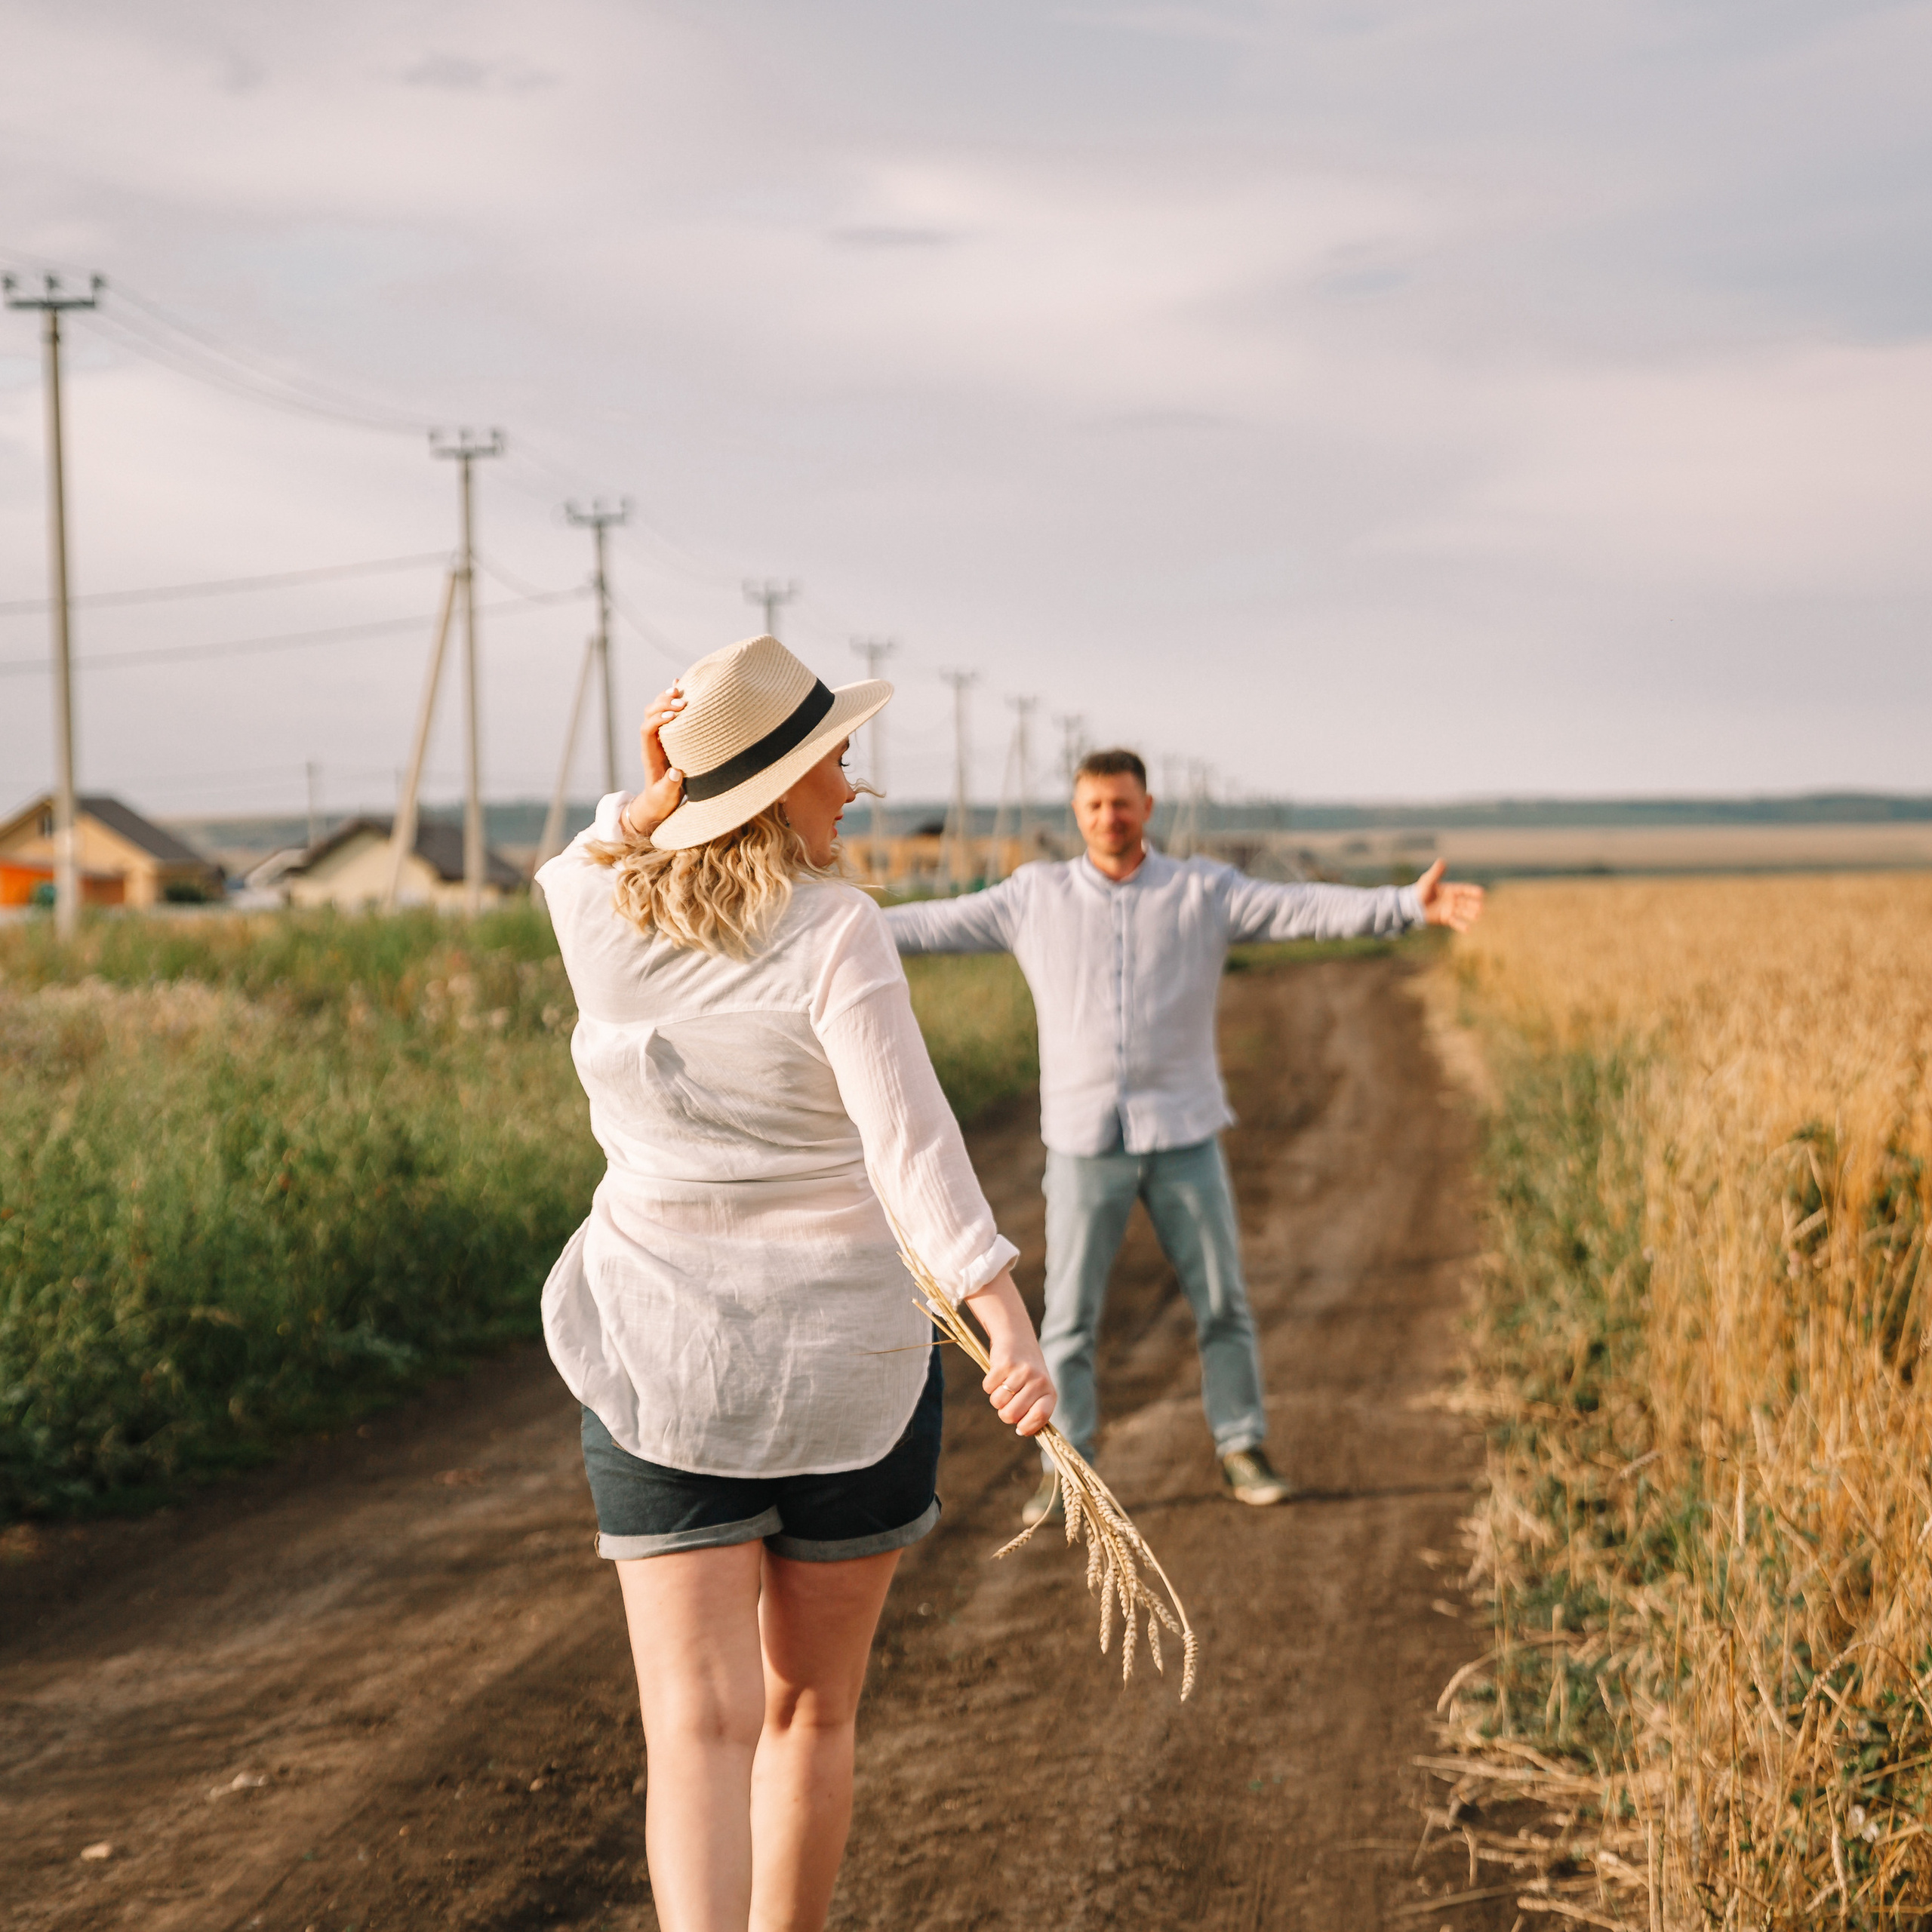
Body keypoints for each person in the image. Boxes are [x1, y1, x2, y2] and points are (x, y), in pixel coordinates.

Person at [536, 634, 1055, 1932]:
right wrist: (1004, 1322)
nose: (850, 784)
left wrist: (646, 800)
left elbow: (574, 865)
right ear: (777, 787)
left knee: (695, 1728)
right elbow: (912, 1149)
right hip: (849, 1371)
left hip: (660, 1362)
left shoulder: (602, 920)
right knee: (810, 1708)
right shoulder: (835, 929)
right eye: (833, 761)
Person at [886, 748, 1484, 1524]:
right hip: (1082, 1142)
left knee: (1222, 1301)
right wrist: (813, 925)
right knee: (1067, 1316)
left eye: (1123, 803)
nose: (1110, 817)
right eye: (1095, 804)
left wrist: (1403, 905)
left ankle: (1242, 1446)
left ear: (1148, 805)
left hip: (1184, 1134)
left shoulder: (1203, 890)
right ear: (1077, 812)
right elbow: (924, 924)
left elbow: (1300, 909)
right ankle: (1066, 1467)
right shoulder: (1034, 896)